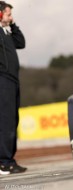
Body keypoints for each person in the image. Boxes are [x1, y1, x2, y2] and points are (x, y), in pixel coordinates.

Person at [0, 1, 26, 175]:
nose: (11, 17)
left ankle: (9, 159)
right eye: (8, 14)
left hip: (13, 81)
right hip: (3, 81)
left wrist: (12, 24)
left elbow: (21, 42)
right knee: (6, 122)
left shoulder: (7, 32)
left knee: (12, 121)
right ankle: (4, 162)